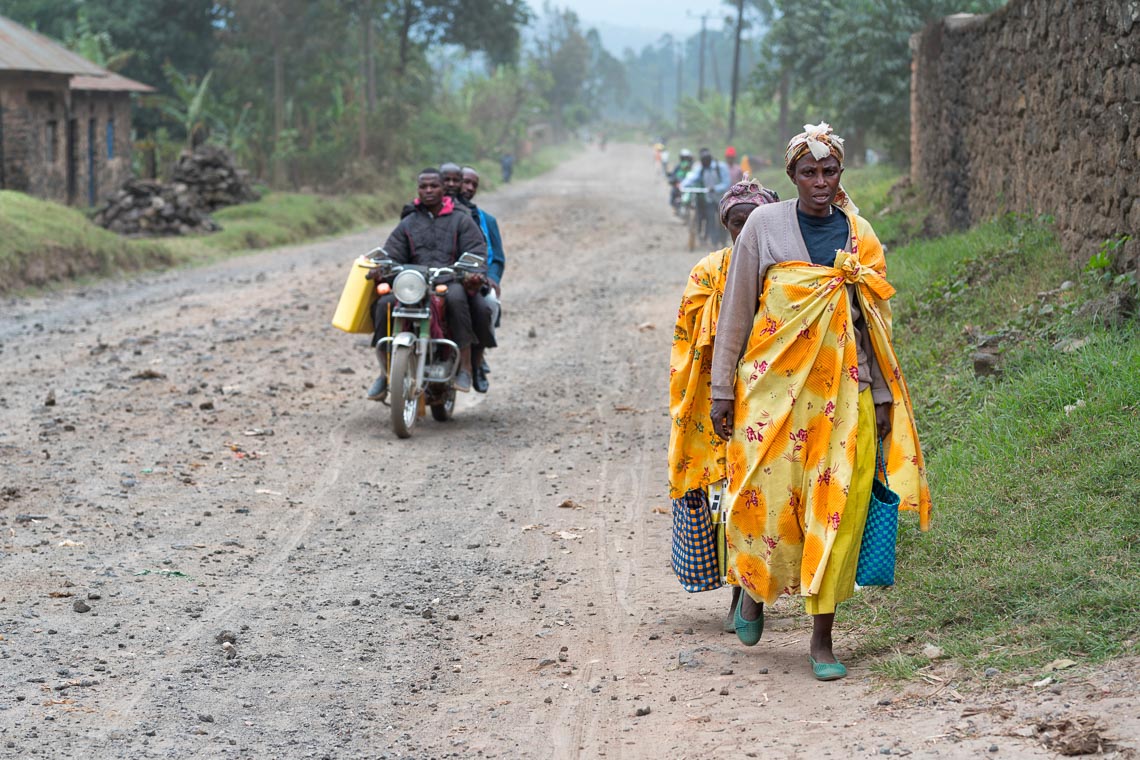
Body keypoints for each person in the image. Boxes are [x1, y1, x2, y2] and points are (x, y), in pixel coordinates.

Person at [709, 123, 931, 681]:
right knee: (760, 497)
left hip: (844, 397)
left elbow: (875, 325)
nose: (820, 181)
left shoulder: (861, 236)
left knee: (836, 510)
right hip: (769, 398)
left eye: (829, 170)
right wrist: (720, 390)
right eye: (809, 172)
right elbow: (736, 313)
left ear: (841, 173)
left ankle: (822, 639)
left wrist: (881, 395)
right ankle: (754, 590)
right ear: (791, 177)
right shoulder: (763, 226)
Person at [669, 177, 778, 631]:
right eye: (738, 222)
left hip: (769, 398)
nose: (746, 229)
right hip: (716, 399)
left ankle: (749, 592)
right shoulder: (709, 271)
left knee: (758, 495)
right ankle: (738, 588)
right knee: (725, 499)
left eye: (756, 221)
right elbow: (687, 343)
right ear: (726, 225)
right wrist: (713, 394)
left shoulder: (782, 270)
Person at [366, 168, 491, 396]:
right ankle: (385, 372)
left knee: (456, 298)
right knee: (384, 303)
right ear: (418, 190)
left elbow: (476, 250)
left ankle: (465, 366)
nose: (428, 190)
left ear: (444, 188)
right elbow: (392, 252)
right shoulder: (409, 222)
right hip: (414, 284)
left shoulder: (461, 219)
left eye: (433, 186)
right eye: (423, 186)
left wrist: (472, 273)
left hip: (448, 281)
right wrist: (382, 268)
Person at [460, 166, 505, 394]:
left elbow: (497, 257)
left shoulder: (485, 220)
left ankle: (476, 362)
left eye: (474, 184)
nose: (468, 188)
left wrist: (492, 277)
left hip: (475, 279)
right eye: (465, 182)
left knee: (488, 305)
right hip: (440, 278)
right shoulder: (431, 213)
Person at [681, 148, 731, 248]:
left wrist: (715, 188)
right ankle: (714, 243)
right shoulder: (702, 168)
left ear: (709, 160)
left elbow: (726, 183)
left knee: (723, 222)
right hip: (710, 199)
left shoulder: (720, 167)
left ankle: (723, 241)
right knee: (710, 220)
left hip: (722, 199)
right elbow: (693, 177)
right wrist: (683, 185)